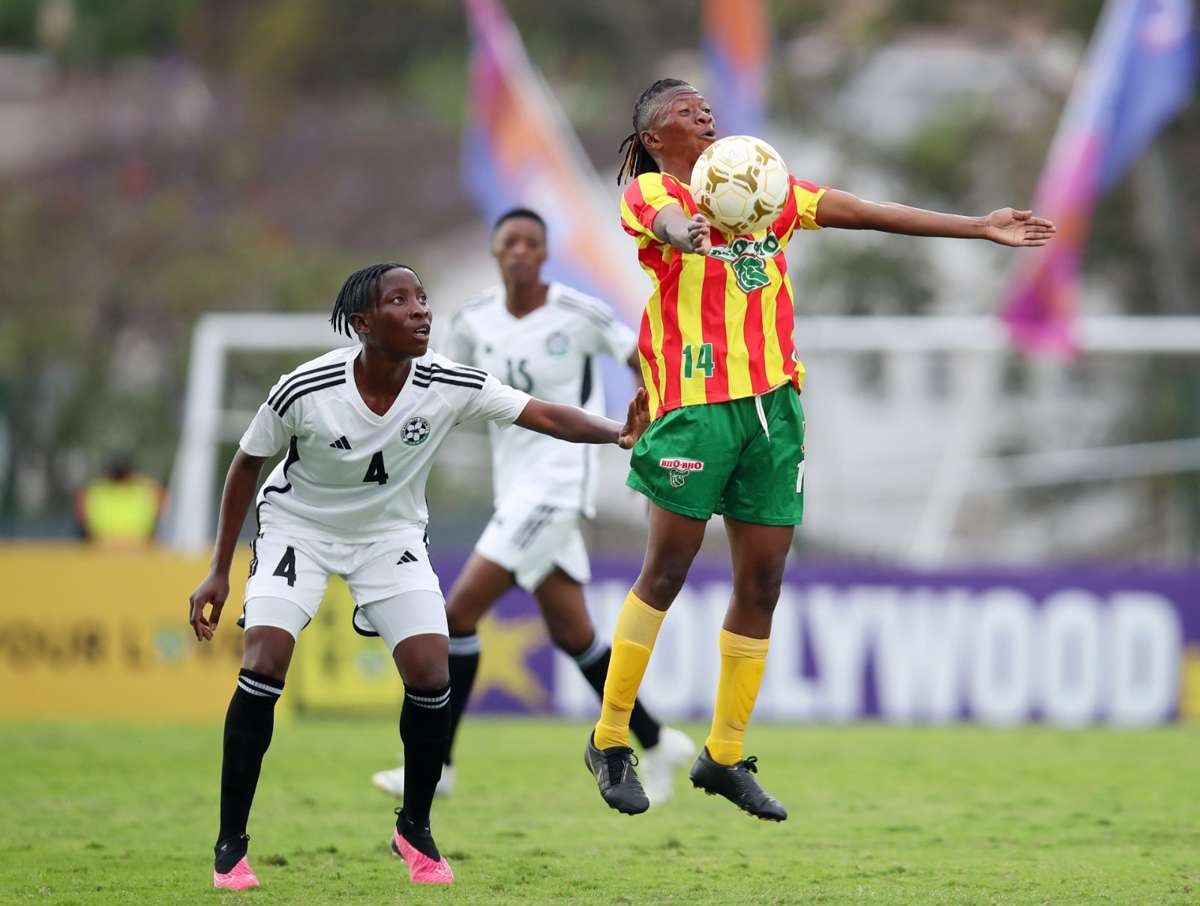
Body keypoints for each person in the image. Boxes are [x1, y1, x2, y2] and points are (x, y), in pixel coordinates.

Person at [584, 78, 1056, 819]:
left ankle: (724, 755)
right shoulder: (651, 193)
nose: (702, 113)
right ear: (652, 139)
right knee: (667, 570)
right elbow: (669, 223)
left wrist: (977, 226)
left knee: (764, 581)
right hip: (696, 408)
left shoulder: (764, 190)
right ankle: (611, 739)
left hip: (775, 410)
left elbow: (863, 211)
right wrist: (690, 233)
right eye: (682, 111)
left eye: (705, 106)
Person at [187, 263, 649, 889]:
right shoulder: (305, 387)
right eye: (400, 300)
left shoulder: (448, 382)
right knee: (264, 660)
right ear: (363, 322)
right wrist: (218, 571)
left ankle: (415, 829)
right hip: (300, 528)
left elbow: (543, 414)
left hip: (389, 537)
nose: (421, 310)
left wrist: (618, 432)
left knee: (432, 670)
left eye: (423, 298)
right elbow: (247, 463)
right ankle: (230, 845)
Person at [370, 208, 694, 806]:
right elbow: (439, 386)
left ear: (545, 253)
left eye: (531, 243)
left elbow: (643, 358)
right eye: (510, 242)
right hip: (513, 487)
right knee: (575, 634)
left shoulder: (578, 312)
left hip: (559, 485)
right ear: (495, 251)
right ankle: (656, 739)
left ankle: (437, 767)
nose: (520, 250)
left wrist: (659, 425)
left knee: (458, 614)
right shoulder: (473, 320)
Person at [75, 453, 166, 546]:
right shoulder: (147, 489)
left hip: (102, 545)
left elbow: (81, 513)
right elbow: (163, 506)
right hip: (138, 546)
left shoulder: (94, 490)